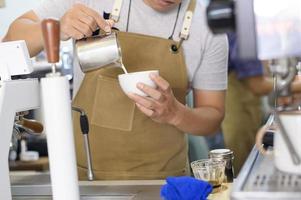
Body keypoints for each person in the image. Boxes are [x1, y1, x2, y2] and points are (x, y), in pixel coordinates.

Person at [3, 0, 228, 180]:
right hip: (85, 177)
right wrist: (56, 29)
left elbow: (213, 116)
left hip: (164, 181)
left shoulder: (208, 28)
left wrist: (176, 113)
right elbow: (9, 41)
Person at [223, 33, 301, 174]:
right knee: (242, 168)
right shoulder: (244, 33)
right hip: (235, 109)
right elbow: (258, 86)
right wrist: (295, 86)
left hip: (247, 105)